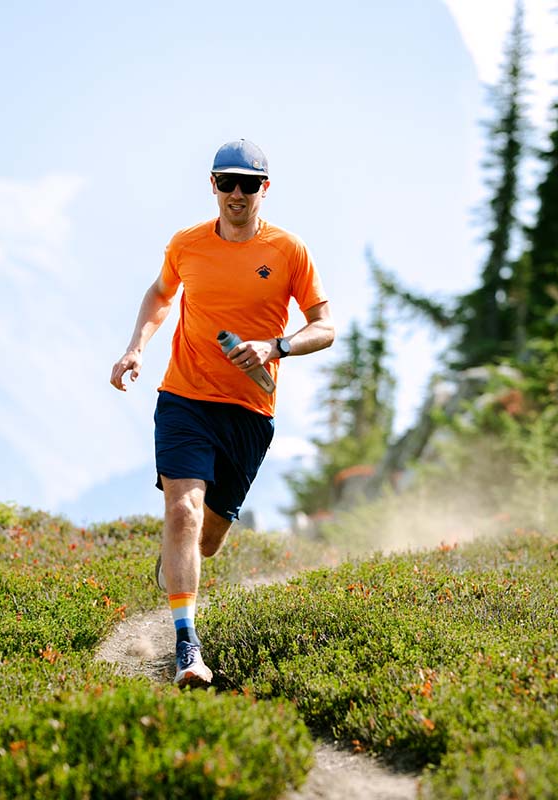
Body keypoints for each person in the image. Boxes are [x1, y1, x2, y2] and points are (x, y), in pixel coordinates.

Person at [109, 139, 335, 688]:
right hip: (184, 398)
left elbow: (325, 328)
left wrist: (274, 347)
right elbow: (161, 295)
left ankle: (178, 566)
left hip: (250, 411)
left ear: (265, 188)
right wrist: (136, 345)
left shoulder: (289, 251)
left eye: (249, 183)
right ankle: (187, 646)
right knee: (182, 511)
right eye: (226, 182)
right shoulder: (187, 244)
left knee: (208, 537)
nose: (237, 193)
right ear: (212, 185)